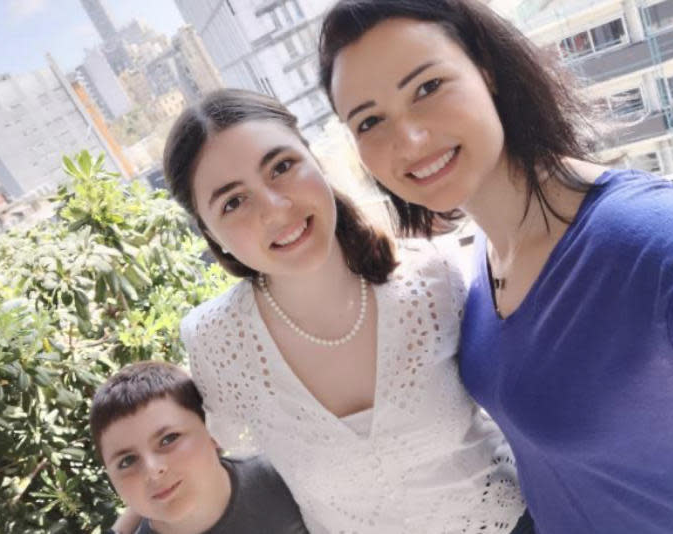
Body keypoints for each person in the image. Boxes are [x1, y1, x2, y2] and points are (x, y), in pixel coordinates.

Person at [318, 1, 673, 533]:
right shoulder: (477, 267)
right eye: (370, 120)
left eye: (426, 87)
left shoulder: (658, 248)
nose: (409, 140)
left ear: (485, 69)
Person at [159, 88, 531, 533]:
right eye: (233, 201)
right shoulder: (215, 342)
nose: (275, 209)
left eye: (282, 167)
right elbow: (205, 457)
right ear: (210, 233)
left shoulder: (433, 277)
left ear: (314, 159)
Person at [89, 360, 308, 534]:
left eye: (169, 439)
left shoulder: (286, 477)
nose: (152, 469)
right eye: (127, 460)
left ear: (213, 430)